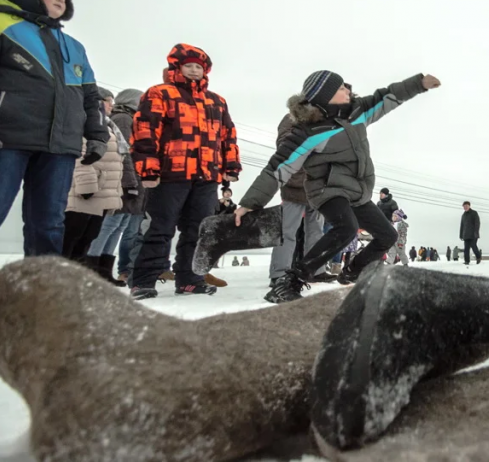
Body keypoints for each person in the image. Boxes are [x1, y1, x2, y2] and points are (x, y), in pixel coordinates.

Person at [235, 70, 440, 302]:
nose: (347, 90)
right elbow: (278, 167)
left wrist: (419, 83)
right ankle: (291, 280)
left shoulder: (357, 112)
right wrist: (250, 203)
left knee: (388, 235)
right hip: (326, 190)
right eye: (341, 88)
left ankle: (352, 272)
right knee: (346, 228)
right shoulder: (307, 131)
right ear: (326, 95)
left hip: (355, 190)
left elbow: (387, 97)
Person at [0, 0, 109, 256]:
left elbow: (90, 96)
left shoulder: (74, 46)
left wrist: (98, 135)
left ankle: (43, 292)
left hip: (60, 145)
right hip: (8, 138)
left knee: (49, 224)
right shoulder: (4, 26)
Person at [128, 44, 241, 300]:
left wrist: (230, 166)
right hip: (170, 174)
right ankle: (143, 280)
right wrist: (147, 168)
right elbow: (145, 131)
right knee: (160, 228)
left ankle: (190, 279)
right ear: (176, 68)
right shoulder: (159, 94)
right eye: (188, 66)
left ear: (205, 71)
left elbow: (227, 136)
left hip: (206, 176)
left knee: (198, 231)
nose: (193, 71)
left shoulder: (216, 101)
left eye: (198, 67)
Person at [62, 87, 128, 280]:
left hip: (100, 194)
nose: (112, 105)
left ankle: (77, 281)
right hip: (84, 193)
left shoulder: (107, 125)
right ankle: (62, 280)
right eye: (108, 101)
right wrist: (87, 185)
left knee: (87, 239)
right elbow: (81, 155)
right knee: (71, 239)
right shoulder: (84, 122)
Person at [82, 88, 140, 286]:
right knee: (110, 225)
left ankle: (103, 270)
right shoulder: (123, 119)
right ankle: (92, 269)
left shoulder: (121, 119)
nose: (111, 105)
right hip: (117, 179)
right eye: (108, 101)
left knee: (119, 225)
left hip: (125, 178)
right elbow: (125, 152)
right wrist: (130, 181)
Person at [265, 112, 326, 302]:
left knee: (316, 231)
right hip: (296, 183)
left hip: (319, 186)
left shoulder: (327, 119)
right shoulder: (292, 118)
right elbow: (284, 145)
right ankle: (279, 273)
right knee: (287, 230)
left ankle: (315, 270)